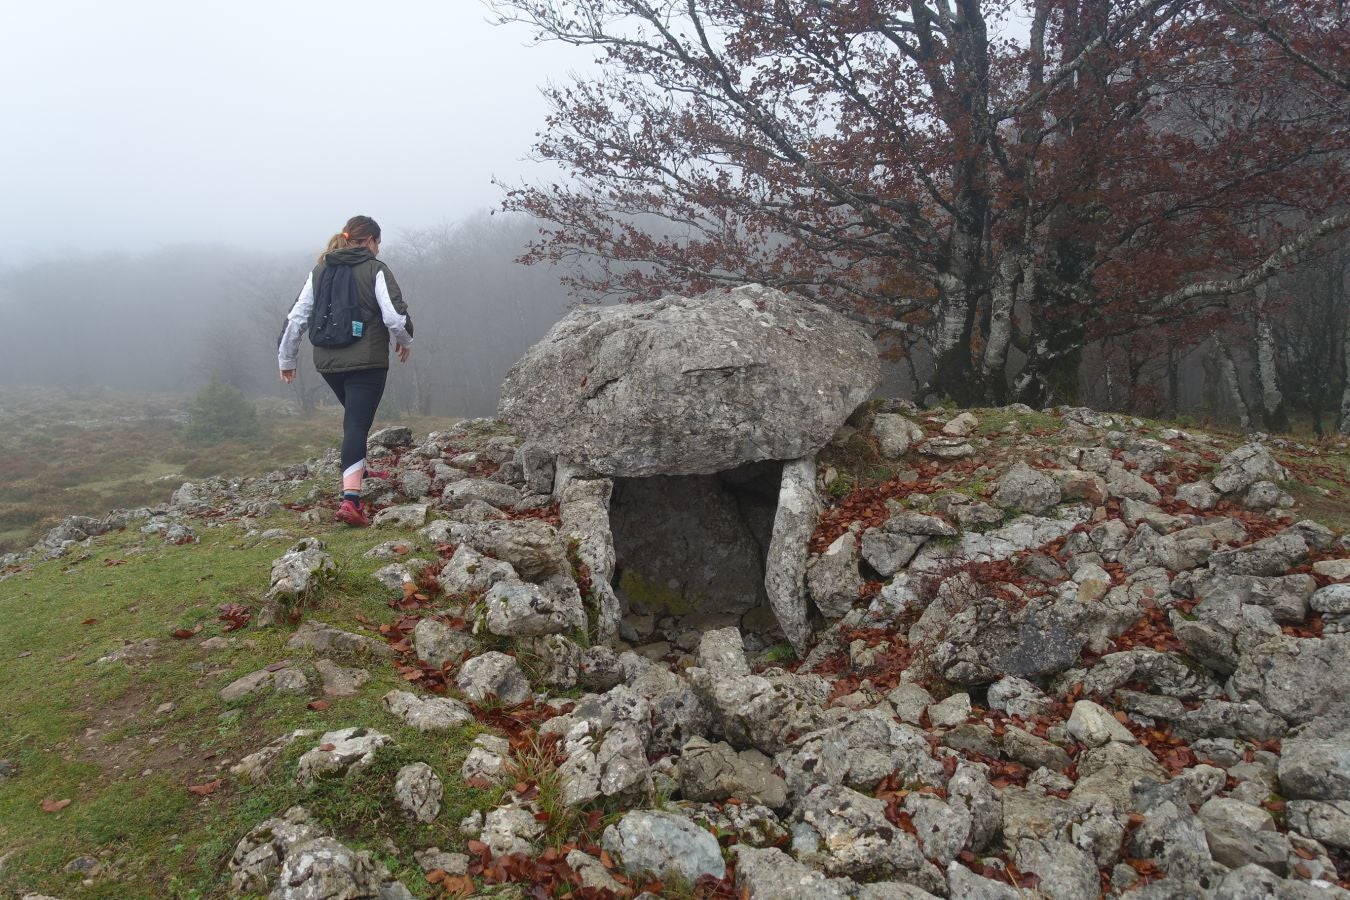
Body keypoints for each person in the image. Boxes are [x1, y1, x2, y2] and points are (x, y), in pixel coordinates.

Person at [277, 215, 414, 526]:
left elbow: (297, 317)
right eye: (378, 242)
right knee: (356, 424)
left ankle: (359, 466)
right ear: (369, 241)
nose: (379, 249)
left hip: (327, 362)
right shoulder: (375, 269)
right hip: (366, 363)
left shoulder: (321, 269)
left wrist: (286, 359)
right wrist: (405, 340)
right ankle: (351, 499)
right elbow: (394, 315)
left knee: (354, 418)